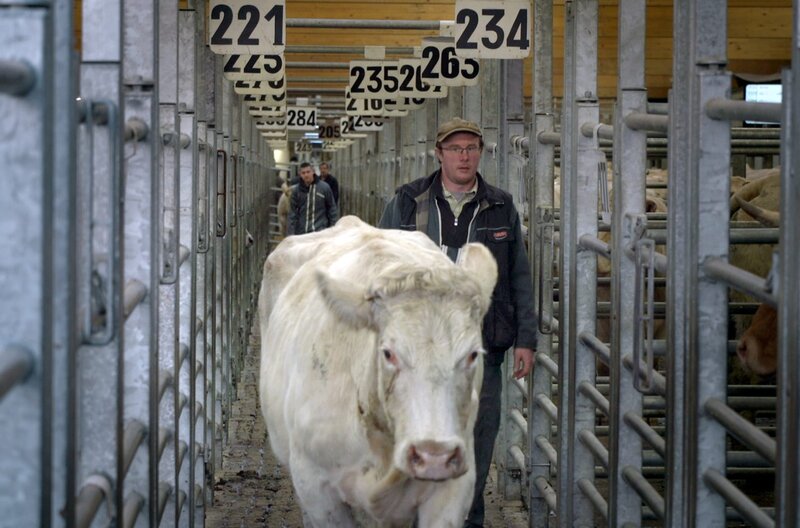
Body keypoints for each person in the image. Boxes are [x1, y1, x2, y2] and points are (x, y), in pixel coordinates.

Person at [379, 117, 536, 528]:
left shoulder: (500, 205)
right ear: (439, 153)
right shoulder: (408, 201)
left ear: (480, 153)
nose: (463, 156)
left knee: (475, 449)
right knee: (418, 441)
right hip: (419, 354)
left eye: (470, 148)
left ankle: (467, 519)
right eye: (455, 148)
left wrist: (526, 339)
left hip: (478, 351)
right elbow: (380, 267)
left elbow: (519, 274)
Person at [288, 161, 339, 235]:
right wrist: (290, 234)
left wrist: (333, 229)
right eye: (303, 173)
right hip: (302, 233)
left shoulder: (324, 188)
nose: (306, 175)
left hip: (320, 232)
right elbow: (292, 213)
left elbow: (332, 209)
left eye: (308, 172)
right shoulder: (296, 191)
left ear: (313, 172)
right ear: (300, 174)